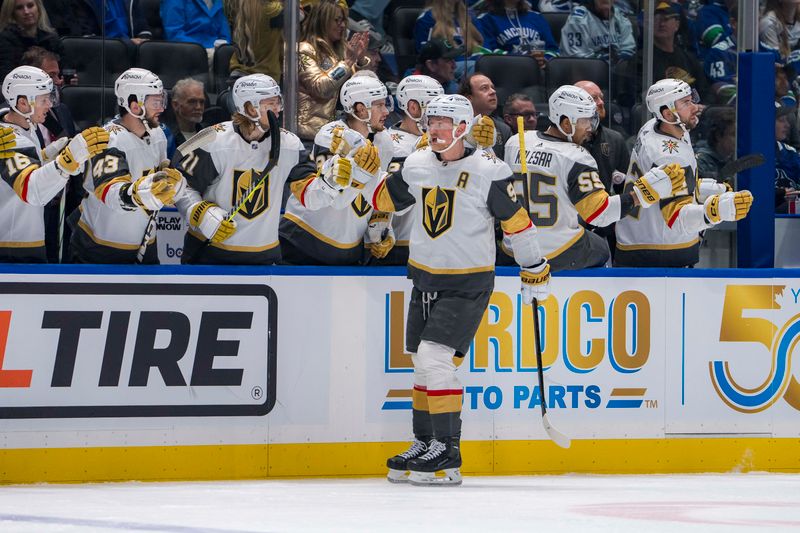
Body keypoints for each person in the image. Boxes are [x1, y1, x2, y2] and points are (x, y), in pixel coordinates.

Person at [361, 94, 550, 485]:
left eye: (443, 122)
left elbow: (517, 221)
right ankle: (425, 442)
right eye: (431, 121)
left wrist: (533, 266)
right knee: (421, 361)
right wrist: (363, 176)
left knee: (434, 356)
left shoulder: (488, 170)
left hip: (468, 282)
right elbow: (382, 200)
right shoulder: (416, 164)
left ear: (463, 127)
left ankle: (448, 452)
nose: (434, 129)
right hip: (424, 278)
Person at [174, 74, 349, 264]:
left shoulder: (289, 144)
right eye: (270, 103)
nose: (278, 109)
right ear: (249, 107)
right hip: (209, 254)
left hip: (265, 258)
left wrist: (328, 183)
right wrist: (198, 212)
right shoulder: (212, 140)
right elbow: (179, 183)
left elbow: (309, 197)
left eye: (278, 102)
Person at [504, 85, 680, 272]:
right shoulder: (576, 156)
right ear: (566, 123)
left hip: (513, 248)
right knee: (601, 247)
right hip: (557, 252)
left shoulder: (516, 142)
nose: (590, 127)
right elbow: (599, 214)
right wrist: (640, 194)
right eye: (585, 120)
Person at [614, 78, 753, 267]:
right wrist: (714, 211)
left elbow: (664, 188)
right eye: (686, 103)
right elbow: (677, 218)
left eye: (692, 99)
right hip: (656, 251)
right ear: (668, 114)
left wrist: (707, 188)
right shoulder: (669, 157)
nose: (695, 107)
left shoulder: (653, 127)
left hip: (637, 236)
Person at [69, 68, 185, 264]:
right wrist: (140, 194)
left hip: (145, 241)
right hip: (100, 246)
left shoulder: (157, 135)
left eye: (162, 100)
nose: (162, 108)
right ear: (135, 105)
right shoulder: (108, 140)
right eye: (156, 102)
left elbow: (159, 179)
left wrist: (170, 181)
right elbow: (110, 192)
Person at [280, 74, 393, 265]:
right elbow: (334, 199)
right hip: (303, 242)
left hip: (348, 249)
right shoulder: (332, 136)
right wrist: (359, 178)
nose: (387, 111)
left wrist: (384, 227)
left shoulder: (385, 142)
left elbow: (375, 194)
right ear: (360, 109)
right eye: (379, 105)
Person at [0, 66, 108, 262]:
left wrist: (45, 158)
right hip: (11, 247)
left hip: (25, 238)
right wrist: (66, 161)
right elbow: (31, 191)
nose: (49, 105)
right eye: (43, 100)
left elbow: (21, 171)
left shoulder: (28, 129)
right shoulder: (7, 138)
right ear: (23, 103)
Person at [383, 74, 445, 265]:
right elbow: (388, 198)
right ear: (412, 107)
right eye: (432, 107)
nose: (439, 115)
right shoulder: (385, 142)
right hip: (400, 244)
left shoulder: (448, 143)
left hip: (440, 245)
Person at [297, 0, 370, 143]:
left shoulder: (342, 52)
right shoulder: (303, 50)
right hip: (309, 136)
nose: (342, 26)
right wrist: (348, 62)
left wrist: (360, 61)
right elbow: (321, 88)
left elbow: (361, 91)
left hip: (340, 135)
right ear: (322, 21)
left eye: (343, 21)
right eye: (337, 20)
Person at [574, 80, 629, 193]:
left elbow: (625, 187)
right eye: (594, 98)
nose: (601, 102)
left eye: (601, 97)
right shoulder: (565, 139)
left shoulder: (615, 139)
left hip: (603, 207)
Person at [651, 1, 711, 102]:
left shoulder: (689, 60)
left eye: (666, 19)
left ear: (677, 25)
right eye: (657, 20)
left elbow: (704, 92)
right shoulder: (644, 59)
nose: (661, 24)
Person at [477, 0, 559, 68]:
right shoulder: (485, 20)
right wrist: (522, 58)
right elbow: (487, 53)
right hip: (507, 72)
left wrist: (544, 59)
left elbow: (553, 49)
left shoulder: (536, 17)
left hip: (540, 71)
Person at [0, 0, 64, 82]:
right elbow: (6, 78)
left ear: (38, 8)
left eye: (30, 6)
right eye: (19, 8)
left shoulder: (52, 38)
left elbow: (62, 71)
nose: (26, 11)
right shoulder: (5, 40)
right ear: (12, 13)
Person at [225, 0, 284, 83]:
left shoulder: (240, 7)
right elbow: (298, 16)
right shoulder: (273, 11)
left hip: (238, 74)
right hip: (265, 78)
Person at [559, 0, 635, 64]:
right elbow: (578, 58)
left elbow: (628, 49)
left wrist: (618, 60)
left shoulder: (620, 16)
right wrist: (605, 60)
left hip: (615, 76)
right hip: (583, 75)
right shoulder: (578, 19)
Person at [459, 73, 511, 159]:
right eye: (484, 88)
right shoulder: (455, 128)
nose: (493, 92)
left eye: (492, 88)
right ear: (469, 98)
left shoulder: (504, 129)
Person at [161, 0, 231, 54]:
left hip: (216, 51)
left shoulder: (216, 1)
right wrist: (200, 50)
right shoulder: (174, 2)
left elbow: (224, 34)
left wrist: (224, 49)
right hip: (189, 51)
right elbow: (174, 33)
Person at [696, 106, 735, 182]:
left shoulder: (733, 158)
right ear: (718, 136)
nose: (738, 139)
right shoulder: (701, 162)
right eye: (733, 134)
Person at [166, 78, 207, 149]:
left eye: (201, 102)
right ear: (175, 105)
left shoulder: (209, 134)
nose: (198, 107)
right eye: (192, 102)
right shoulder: (165, 138)